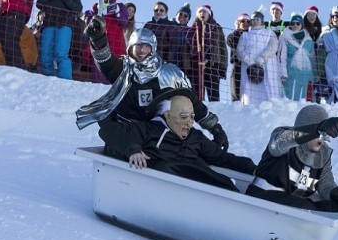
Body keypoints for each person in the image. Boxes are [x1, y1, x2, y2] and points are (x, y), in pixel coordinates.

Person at [76, 20, 230, 151]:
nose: (142, 50)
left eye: (146, 46)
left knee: (196, 142)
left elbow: (191, 104)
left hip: (161, 137)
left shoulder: (170, 74)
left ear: (153, 48)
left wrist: (215, 128)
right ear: (130, 48)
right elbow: (107, 64)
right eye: (138, 46)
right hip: (129, 135)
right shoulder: (123, 69)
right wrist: (99, 40)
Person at [98, 87, 256, 191]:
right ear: (167, 116)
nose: (190, 122)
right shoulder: (148, 130)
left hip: (202, 191)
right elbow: (109, 129)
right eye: (183, 116)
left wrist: (254, 169)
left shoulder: (196, 137)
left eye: (192, 117)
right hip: (165, 190)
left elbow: (222, 158)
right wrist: (133, 150)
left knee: (226, 184)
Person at [245, 104, 338, 224]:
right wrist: (316, 129)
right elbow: (281, 141)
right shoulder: (282, 140)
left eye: (324, 134)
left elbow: (326, 186)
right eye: (319, 134)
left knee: (332, 208)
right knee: (308, 208)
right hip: (261, 200)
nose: (321, 139)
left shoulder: (323, 154)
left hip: (292, 207)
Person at [35, 0, 83, 79]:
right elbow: (39, 3)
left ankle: (65, 80)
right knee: (45, 55)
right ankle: (48, 78)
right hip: (48, 25)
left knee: (61, 54)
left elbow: (77, 8)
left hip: (65, 25)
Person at [236, 8, 282, 105]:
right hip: (249, 66)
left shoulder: (269, 33)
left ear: (261, 21)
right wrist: (249, 61)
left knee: (268, 85)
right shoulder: (245, 35)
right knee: (249, 88)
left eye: (257, 19)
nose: (254, 21)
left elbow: (273, 46)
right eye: (252, 20)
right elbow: (239, 50)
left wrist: (261, 58)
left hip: (266, 65)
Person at [186, 4, 227, 102]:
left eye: (204, 11)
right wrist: (188, 67)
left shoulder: (216, 28)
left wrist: (223, 67)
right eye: (200, 12)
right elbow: (187, 50)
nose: (202, 13)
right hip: (196, 64)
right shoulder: (192, 30)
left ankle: (215, 112)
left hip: (213, 64)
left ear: (209, 14)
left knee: (214, 93)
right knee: (197, 93)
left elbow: (222, 48)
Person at [279, 13, 316, 101]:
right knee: (291, 94)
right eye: (293, 23)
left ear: (302, 25)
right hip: (291, 73)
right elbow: (281, 57)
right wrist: (283, 73)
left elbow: (313, 58)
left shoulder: (308, 40)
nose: (295, 25)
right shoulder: (285, 38)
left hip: (306, 74)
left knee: (306, 95)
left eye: (298, 23)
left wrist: (315, 74)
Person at [227, 13, 250, 102]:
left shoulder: (252, 35)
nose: (245, 23)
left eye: (248, 21)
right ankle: (235, 101)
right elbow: (230, 42)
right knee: (236, 83)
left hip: (248, 64)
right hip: (237, 63)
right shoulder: (234, 35)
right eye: (242, 21)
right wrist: (237, 30)